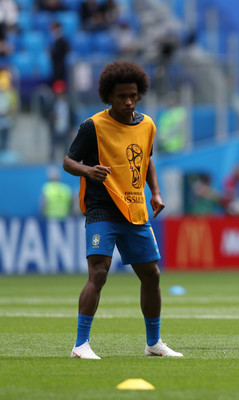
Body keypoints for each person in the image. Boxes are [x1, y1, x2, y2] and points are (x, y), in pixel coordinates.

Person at [63, 61, 182, 359]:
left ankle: (153, 343)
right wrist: (88, 171)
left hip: (135, 209)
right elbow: (67, 161)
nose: (128, 102)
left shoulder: (147, 125)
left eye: (133, 95)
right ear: (108, 97)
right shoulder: (93, 126)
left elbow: (147, 160)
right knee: (99, 273)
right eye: (121, 97)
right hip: (102, 209)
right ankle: (81, 345)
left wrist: (155, 192)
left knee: (152, 274)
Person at [48, 80, 75, 162]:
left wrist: (72, 128)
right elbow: (47, 114)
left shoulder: (69, 104)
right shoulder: (52, 103)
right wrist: (51, 117)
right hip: (55, 128)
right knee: (53, 148)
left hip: (66, 128)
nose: (59, 96)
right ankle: (52, 162)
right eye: (57, 94)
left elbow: (72, 116)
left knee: (66, 148)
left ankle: (66, 162)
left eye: (61, 93)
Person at [0, 68, 18, 152]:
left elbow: (14, 106)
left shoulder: (11, 93)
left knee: (6, 137)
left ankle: (5, 151)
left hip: (7, 117)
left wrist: (11, 113)